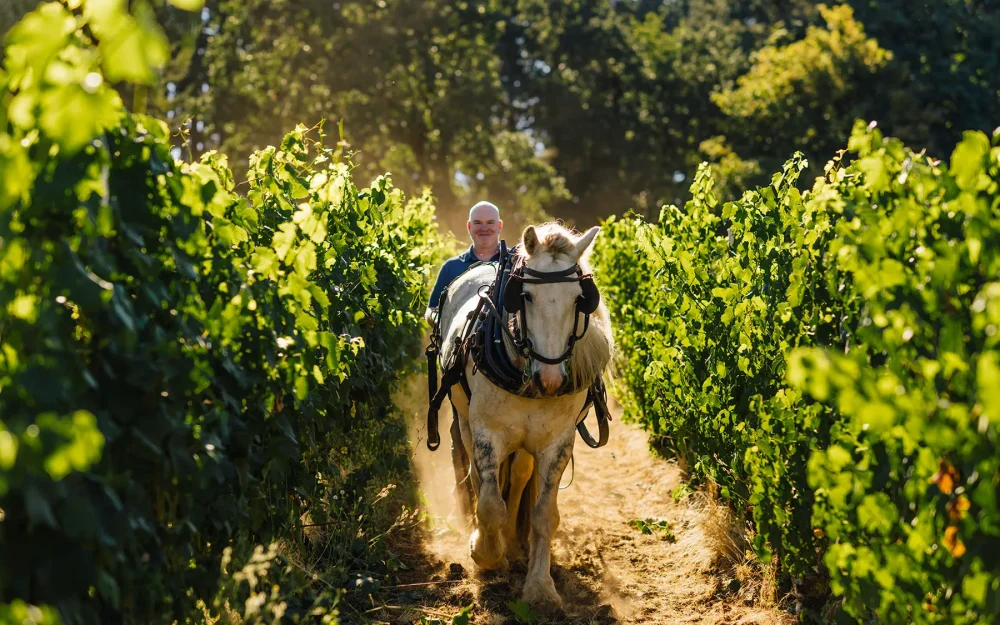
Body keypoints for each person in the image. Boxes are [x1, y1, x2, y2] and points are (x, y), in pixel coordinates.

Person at [425, 200, 504, 323]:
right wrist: (443, 326)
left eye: (490, 222)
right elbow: (432, 309)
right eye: (477, 223)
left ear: (499, 226)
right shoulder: (451, 267)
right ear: (469, 226)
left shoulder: (513, 263)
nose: (484, 228)